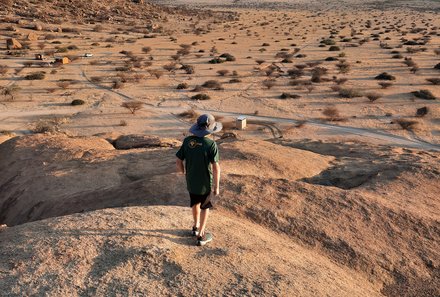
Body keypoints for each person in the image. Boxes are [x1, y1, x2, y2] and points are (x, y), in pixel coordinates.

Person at [176, 114, 222, 246]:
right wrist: (216, 187)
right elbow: (216, 167)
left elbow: (178, 161)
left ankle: (195, 227)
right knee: (204, 207)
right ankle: (201, 235)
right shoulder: (211, 144)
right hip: (205, 183)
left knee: (195, 203)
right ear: (211, 129)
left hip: (191, 181)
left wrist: (183, 172)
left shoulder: (187, 141)